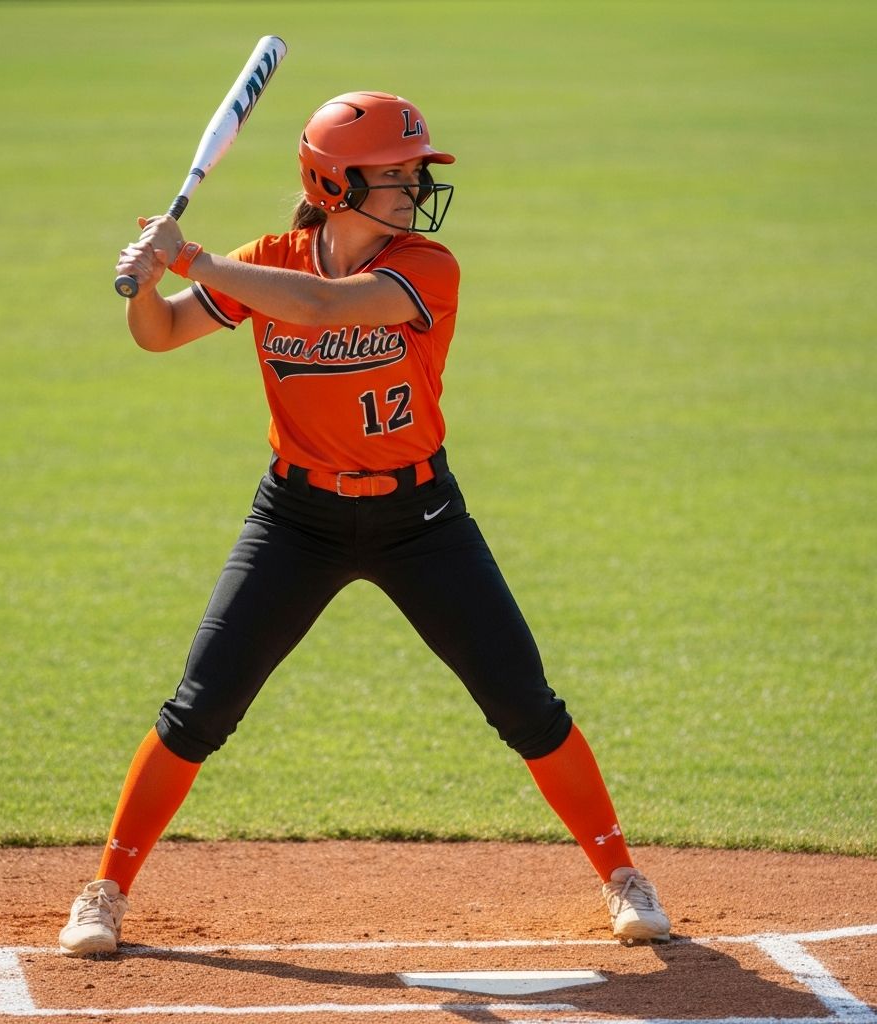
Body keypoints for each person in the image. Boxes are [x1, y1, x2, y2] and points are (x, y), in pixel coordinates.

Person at [59, 91, 671, 956]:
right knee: (199, 706)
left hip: (420, 517)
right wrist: (148, 283)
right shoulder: (267, 259)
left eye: (416, 171)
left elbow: (323, 309)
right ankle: (104, 890)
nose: (415, 187)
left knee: (524, 704)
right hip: (296, 518)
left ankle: (623, 876)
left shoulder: (428, 267)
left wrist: (190, 253)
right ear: (334, 180)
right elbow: (157, 334)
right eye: (395, 173)